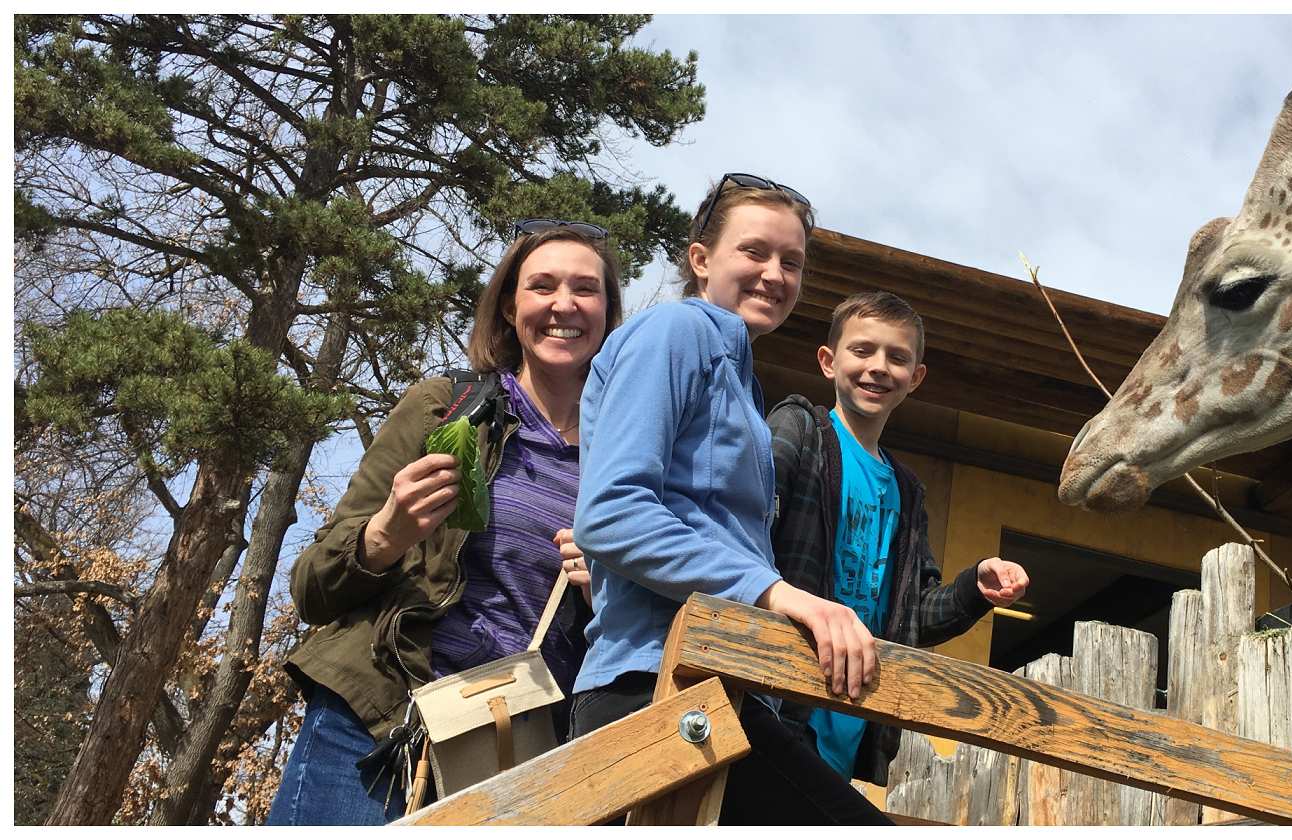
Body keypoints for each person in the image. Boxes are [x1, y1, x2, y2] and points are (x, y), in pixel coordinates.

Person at [270, 220, 619, 824]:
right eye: (543, 286)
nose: (564, 304)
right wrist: (386, 534)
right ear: (511, 307)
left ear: (609, 313)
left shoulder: (626, 452)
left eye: (586, 289)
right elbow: (311, 587)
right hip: (379, 724)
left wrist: (607, 589)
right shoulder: (446, 407)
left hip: (518, 751)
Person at [568, 173, 891, 825]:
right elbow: (609, 515)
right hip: (655, 690)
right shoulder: (673, 333)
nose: (774, 273)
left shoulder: (740, 379)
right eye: (755, 251)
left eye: (791, 262)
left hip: (722, 687)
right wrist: (778, 593)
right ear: (700, 259)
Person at [767, 290, 1031, 784]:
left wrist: (976, 586)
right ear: (828, 361)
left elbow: (915, 617)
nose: (879, 367)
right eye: (862, 350)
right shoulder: (800, 430)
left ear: (916, 378)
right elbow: (741, 533)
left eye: (898, 357)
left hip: (856, 724)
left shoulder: (907, 492)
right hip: (779, 699)